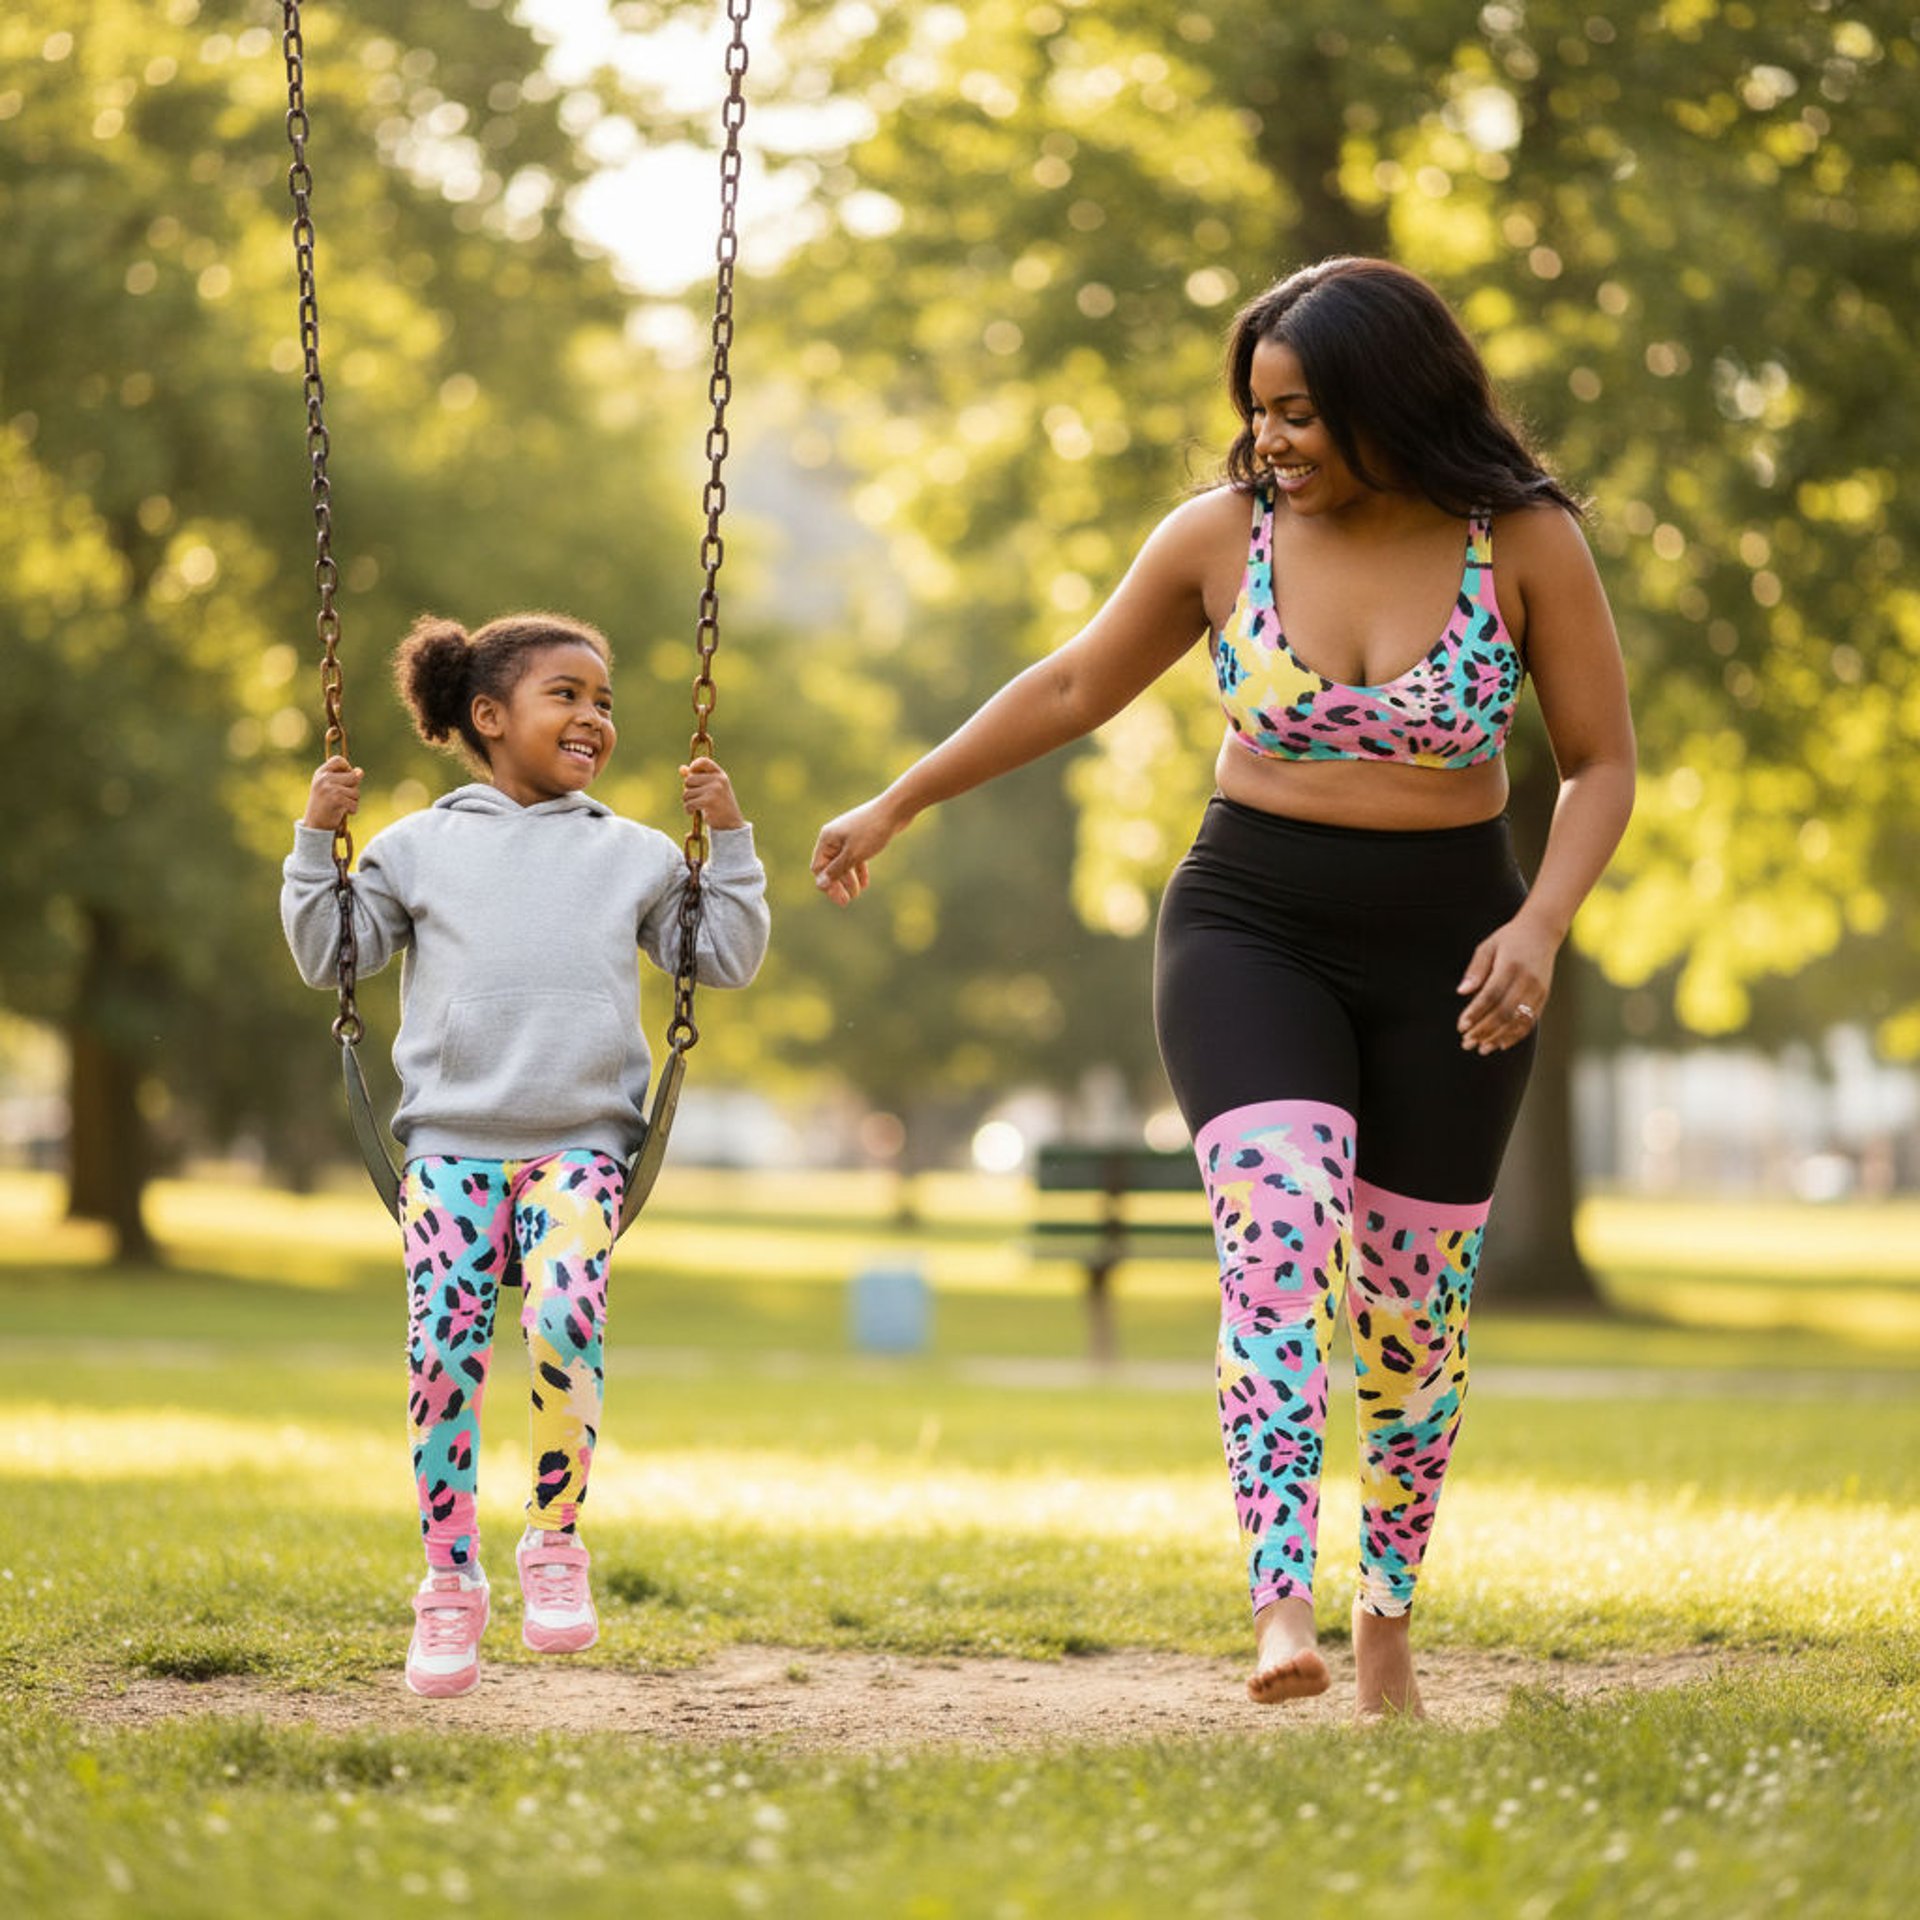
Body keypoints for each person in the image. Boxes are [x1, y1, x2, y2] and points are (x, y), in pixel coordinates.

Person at [811, 257, 1635, 1718]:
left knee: (1410, 1308)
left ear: (1393, 400)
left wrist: (1544, 926)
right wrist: (899, 802)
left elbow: (1598, 762)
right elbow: (1070, 688)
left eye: (1304, 413)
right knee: (1277, 1226)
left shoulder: (1521, 541)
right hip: (1249, 923)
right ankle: (1278, 1596)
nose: (1274, 445)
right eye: (1259, 414)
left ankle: (1386, 1614)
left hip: (1458, 950)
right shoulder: (1216, 539)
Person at [282, 610, 770, 1698]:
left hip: (582, 1149)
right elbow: (331, 956)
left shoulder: (633, 853)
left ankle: (554, 1544)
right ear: (488, 716)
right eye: (569, 695)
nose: (595, 716)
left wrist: (728, 842)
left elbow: (724, 954)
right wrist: (317, 842)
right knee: (442, 1351)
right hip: (450, 1149)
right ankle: (448, 1581)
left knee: (562, 1316)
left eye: (604, 701)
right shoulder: (415, 848)